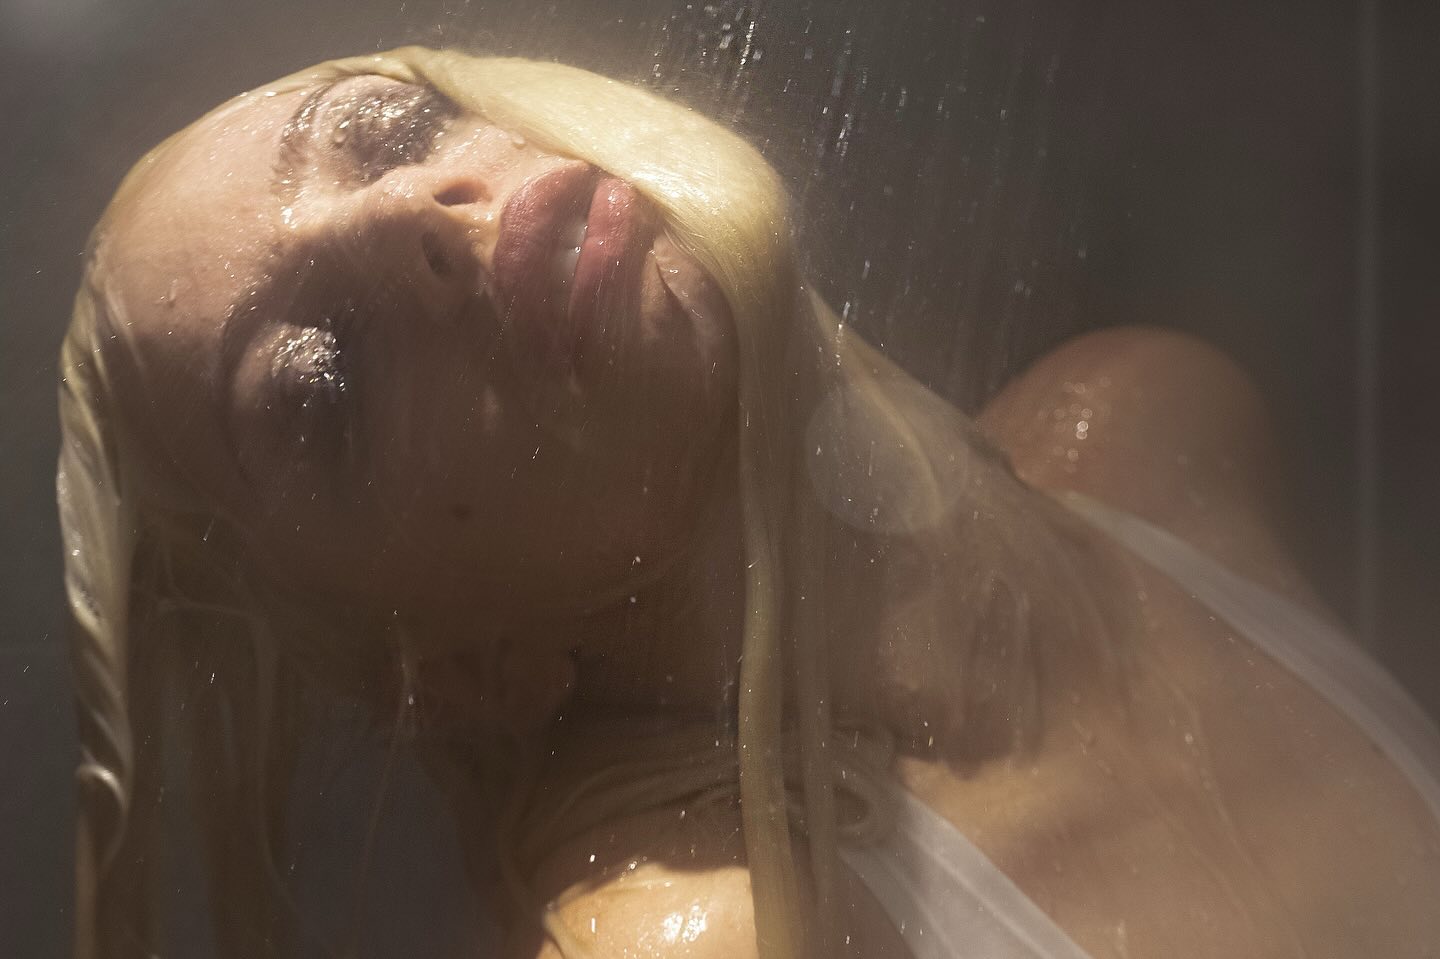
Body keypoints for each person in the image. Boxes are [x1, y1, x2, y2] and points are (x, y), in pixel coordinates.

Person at [56, 46, 1440, 959]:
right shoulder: (704, 940)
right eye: (323, 382)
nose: (410, 214)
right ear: (467, 667)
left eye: (388, 130)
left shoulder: (1156, 427)